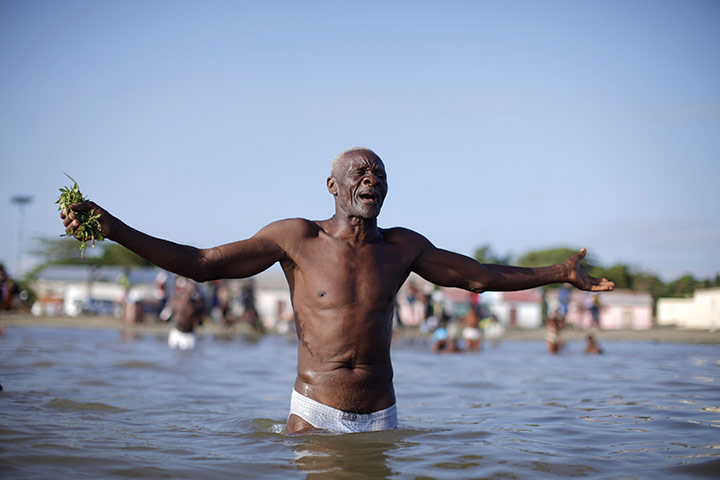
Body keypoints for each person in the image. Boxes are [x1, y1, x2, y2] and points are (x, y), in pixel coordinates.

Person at [61, 147, 614, 434]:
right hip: (313, 415)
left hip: (382, 416)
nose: (370, 180)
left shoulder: (403, 246)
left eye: (379, 175)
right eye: (359, 172)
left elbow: (479, 277)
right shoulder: (295, 239)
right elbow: (201, 264)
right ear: (334, 186)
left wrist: (558, 273)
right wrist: (111, 226)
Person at [167, 277, 205, 350]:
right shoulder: (175, 301)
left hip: (190, 335)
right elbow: (166, 317)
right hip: (177, 333)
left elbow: (199, 320)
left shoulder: (198, 304)